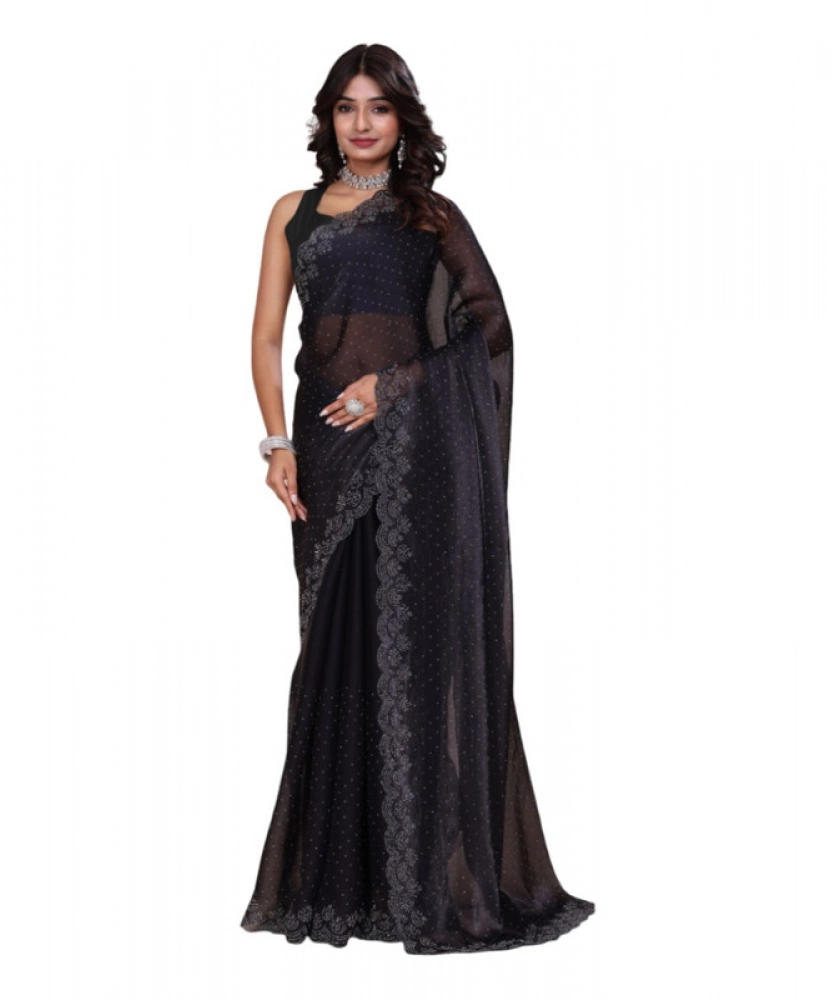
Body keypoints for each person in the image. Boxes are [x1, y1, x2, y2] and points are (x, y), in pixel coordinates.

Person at [239, 42, 595, 954]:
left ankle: (430, 884)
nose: (361, 123)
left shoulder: (430, 215)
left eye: (379, 107)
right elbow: (268, 336)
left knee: (419, 655)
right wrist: (277, 443)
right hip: (323, 455)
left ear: (403, 121)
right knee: (335, 656)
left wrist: (392, 389)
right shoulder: (292, 213)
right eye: (346, 107)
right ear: (326, 119)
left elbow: (491, 330)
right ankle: (343, 883)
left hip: (415, 458)